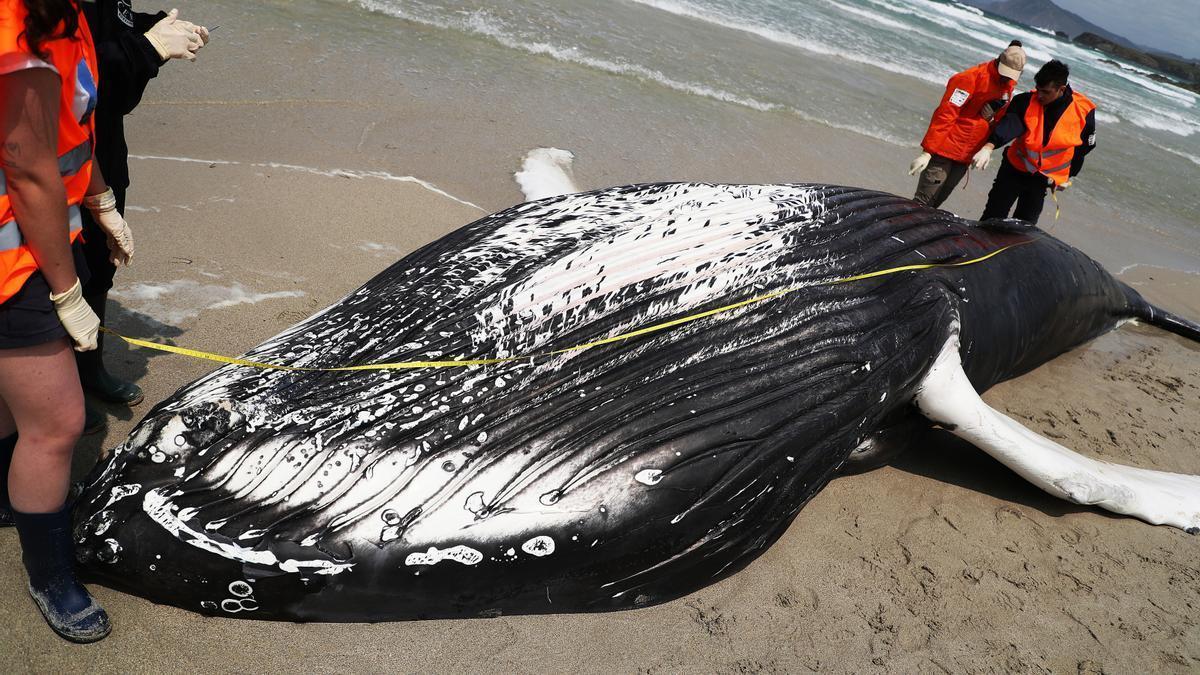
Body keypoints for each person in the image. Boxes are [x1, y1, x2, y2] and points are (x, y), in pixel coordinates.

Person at [1, 0, 134, 642]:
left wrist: (101, 195)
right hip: (15, 257)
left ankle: (6, 495)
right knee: (58, 423)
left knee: (15, 401)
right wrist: (65, 292)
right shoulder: (12, 23)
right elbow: (27, 169)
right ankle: (49, 573)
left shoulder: (69, 10)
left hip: (45, 236)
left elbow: (74, 123)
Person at [75, 3, 208, 433]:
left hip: (105, 153)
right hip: (61, 159)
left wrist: (157, 28)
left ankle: (87, 370)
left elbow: (115, 23)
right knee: (59, 281)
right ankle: (49, 391)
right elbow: (90, 84)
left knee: (100, 270)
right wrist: (149, 49)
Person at [976, 59, 1097, 224]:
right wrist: (989, 147)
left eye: (1046, 92)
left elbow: (1083, 148)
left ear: (1061, 89)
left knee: (1024, 224)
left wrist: (1068, 176)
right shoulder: (1025, 101)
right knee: (993, 215)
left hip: (1041, 178)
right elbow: (1010, 125)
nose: (1039, 96)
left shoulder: (1083, 110)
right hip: (1014, 168)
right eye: (1038, 90)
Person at [909, 40, 1026, 209]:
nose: (1007, 78)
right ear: (998, 60)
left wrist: (989, 132)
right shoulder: (970, 78)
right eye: (1005, 73)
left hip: (966, 155)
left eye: (1012, 75)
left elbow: (998, 122)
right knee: (923, 202)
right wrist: (927, 152)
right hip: (944, 149)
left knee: (936, 204)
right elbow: (946, 114)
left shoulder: (1007, 87)